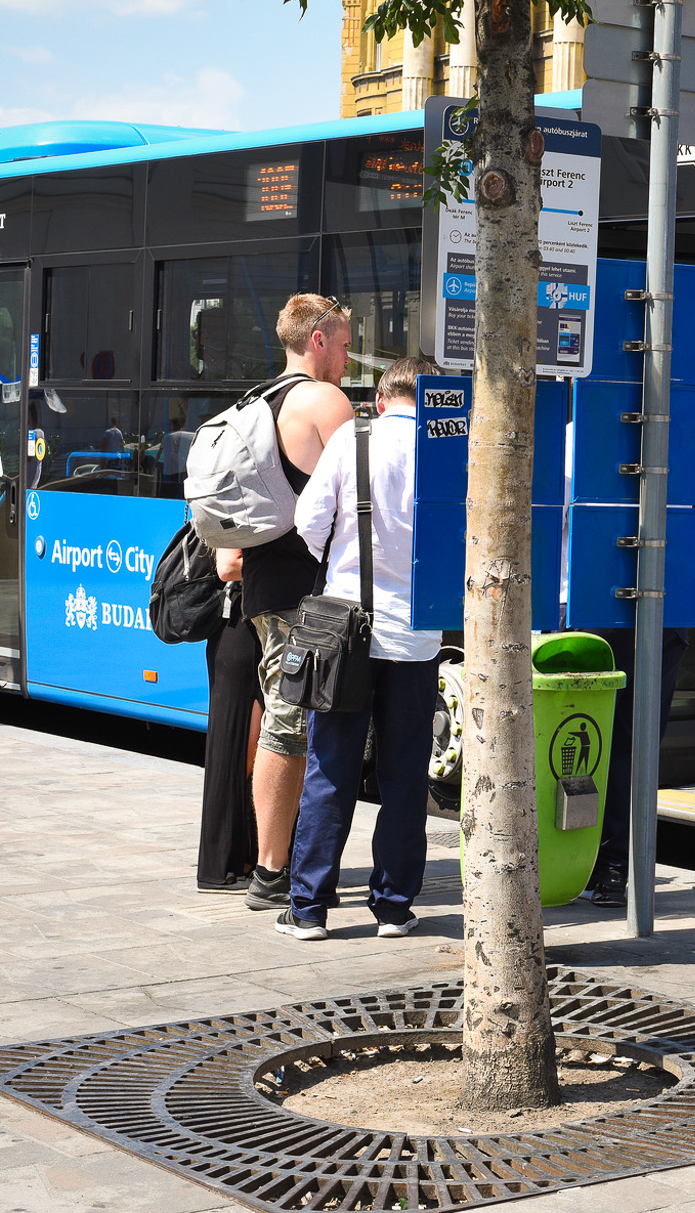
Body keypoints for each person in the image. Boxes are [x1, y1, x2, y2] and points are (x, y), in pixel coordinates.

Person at [275, 358, 443, 940]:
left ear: (379, 397)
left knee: (331, 768)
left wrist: (345, 560)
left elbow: (308, 522)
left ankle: (309, 909)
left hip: (347, 635)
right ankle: (394, 906)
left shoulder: (353, 438)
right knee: (405, 775)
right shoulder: (449, 447)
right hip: (418, 639)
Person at [242, 294, 358, 912]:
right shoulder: (324, 401)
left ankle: (276, 862)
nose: (348, 357)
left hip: (265, 585)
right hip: (306, 593)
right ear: (317, 340)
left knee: (284, 721)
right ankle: (274, 872)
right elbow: (359, 486)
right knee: (293, 727)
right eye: (342, 344)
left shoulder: (258, 399)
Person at [584, 627, 688, 908]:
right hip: (665, 622)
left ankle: (588, 865)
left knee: (581, 743)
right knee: (632, 749)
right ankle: (612, 870)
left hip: (592, 621)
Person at [196, 547, 262, 894]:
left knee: (246, 748)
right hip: (240, 626)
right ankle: (220, 866)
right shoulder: (238, 494)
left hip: (251, 625)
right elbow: (228, 565)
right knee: (234, 748)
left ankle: (242, 859)